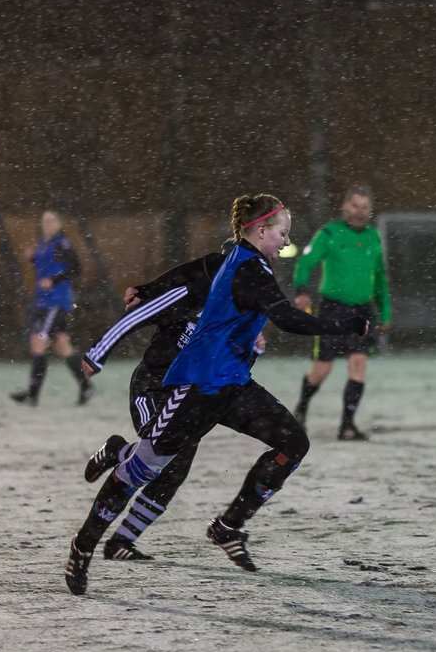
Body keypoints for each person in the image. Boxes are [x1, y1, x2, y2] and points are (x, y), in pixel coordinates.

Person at [64, 194, 369, 595]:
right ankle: (84, 545)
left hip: (232, 384)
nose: (285, 242)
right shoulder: (249, 270)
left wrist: (150, 285)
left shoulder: (242, 258)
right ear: (260, 230)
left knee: (292, 442)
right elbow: (289, 319)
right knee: (146, 466)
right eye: (282, 234)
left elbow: (192, 269)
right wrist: (347, 322)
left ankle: (229, 525)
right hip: (197, 385)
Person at [73, 243, 237, 561]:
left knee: (175, 471)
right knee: (160, 456)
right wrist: (97, 353)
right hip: (151, 389)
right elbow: (137, 316)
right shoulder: (190, 295)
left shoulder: (235, 308)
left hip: (186, 396)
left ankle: (122, 541)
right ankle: (118, 449)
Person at [291, 185, 391, 441]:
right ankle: (301, 410)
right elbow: (305, 262)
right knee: (321, 369)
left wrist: (386, 313)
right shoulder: (329, 233)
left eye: (365, 207)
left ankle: (347, 426)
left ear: (370, 210)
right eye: (355, 206)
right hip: (332, 310)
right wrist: (301, 290)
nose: (360, 212)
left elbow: (380, 278)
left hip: (362, 312)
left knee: (358, 365)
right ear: (345, 206)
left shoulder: (373, 238)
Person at [10, 209, 94, 406]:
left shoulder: (62, 244)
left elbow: (76, 268)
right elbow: (46, 265)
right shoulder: (43, 245)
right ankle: (86, 387)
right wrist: (32, 257)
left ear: (59, 223)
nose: (47, 224)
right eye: (45, 220)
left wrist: (54, 280)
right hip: (44, 302)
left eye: (52, 220)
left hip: (56, 303)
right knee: (62, 346)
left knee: (38, 343)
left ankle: (32, 395)